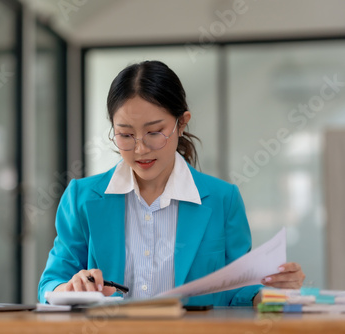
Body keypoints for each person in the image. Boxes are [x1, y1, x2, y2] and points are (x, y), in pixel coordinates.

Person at [38, 60, 305, 306]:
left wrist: (274, 292)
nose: (140, 149)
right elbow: (51, 284)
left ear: (181, 124)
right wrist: (71, 288)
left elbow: (241, 291)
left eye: (154, 132)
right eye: (126, 134)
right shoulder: (81, 198)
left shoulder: (223, 199)